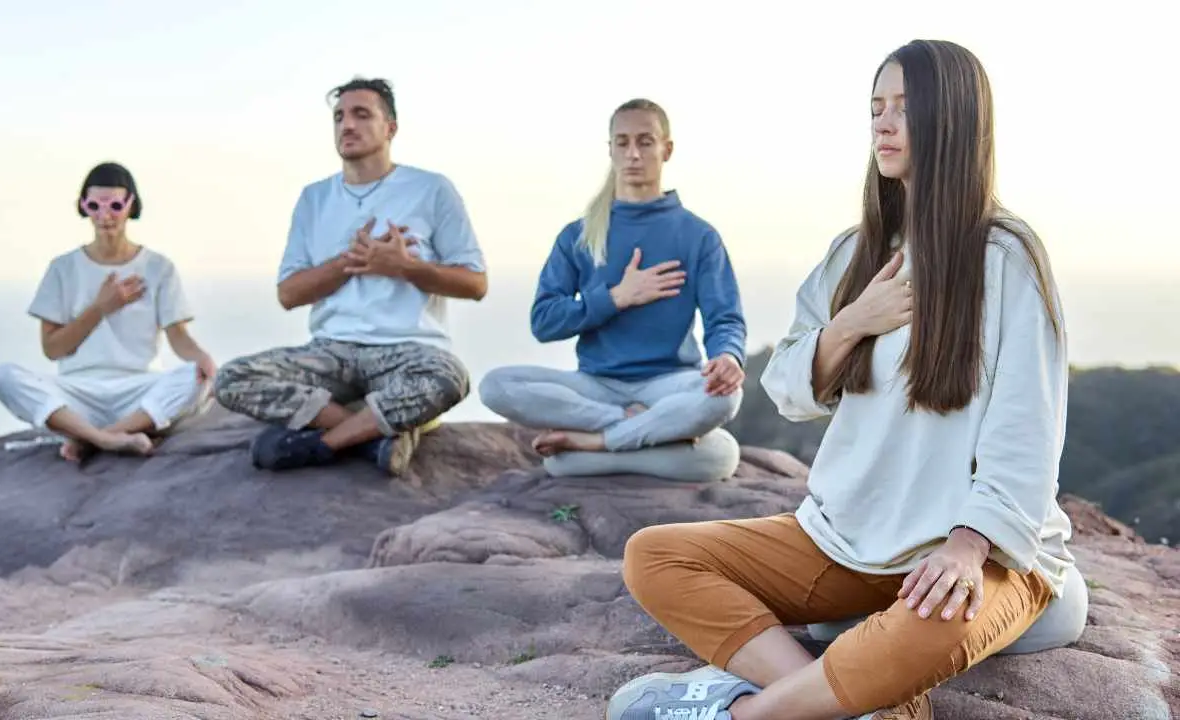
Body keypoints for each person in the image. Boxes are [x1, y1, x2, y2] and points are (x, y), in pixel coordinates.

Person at [606, 40, 1088, 720]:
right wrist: (850, 324)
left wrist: (966, 547)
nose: (882, 126)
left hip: (981, 549)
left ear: (954, 119)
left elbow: (1027, 429)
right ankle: (836, 699)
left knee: (930, 621)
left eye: (904, 108)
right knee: (655, 557)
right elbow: (789, 391)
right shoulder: (853, 254)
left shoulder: (1005, 255)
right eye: (875, 109)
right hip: (848, 537)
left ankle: (745, 713)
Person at [213, 77, 486, 476]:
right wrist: (349, 261)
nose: (347, 125)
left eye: (362, 114)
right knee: (231, 379)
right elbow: (288, 294)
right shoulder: (314, 198)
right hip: (331, 352)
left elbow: (475, 284)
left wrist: (404, 267)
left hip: (407, 350)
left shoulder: (431, 190)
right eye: (339, 117)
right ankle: (372, 438)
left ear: (390, 128)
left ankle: (323, 443)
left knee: (449, 377)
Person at [477, 98, 746, 483]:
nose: (633, 154)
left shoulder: (698, 236)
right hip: (595, 388)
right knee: (496, 386)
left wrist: (728, 358)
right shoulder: (578, 236)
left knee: (726, 398)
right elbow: (544, 322)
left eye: (645, 141)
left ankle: (592, 446)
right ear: (610, 150)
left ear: (666, 149)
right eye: (622, 143)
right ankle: (631, 431)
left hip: (669, 384)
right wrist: (617, 297)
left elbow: (725, 319)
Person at [0, 162, 215, 464]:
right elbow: (53, 348)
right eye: (94, 205)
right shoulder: (63, 268)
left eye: (114, 205)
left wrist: (202, 359)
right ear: (83, 206)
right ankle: (105, 439)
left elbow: (178, 337)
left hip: (138, 390)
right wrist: (100, 307)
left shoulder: (159, 268)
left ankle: (96, 437)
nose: (104, 215)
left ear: (130, 205)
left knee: (196, 378)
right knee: (5, 377)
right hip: (79, 393)